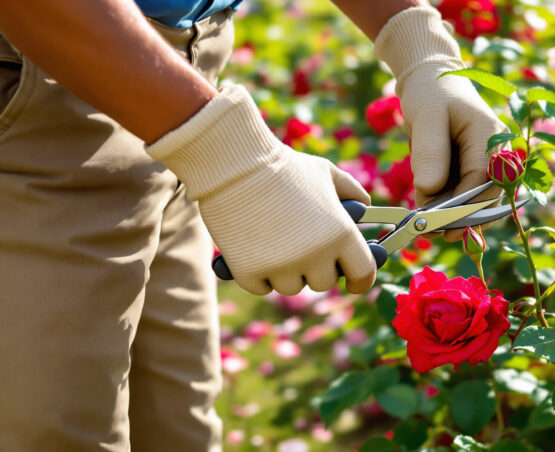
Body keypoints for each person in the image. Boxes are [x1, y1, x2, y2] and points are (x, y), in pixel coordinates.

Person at [0, 0, 507, 449]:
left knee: (182, 432)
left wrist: (417, 44)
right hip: (45, 81)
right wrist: (230, 158)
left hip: (183, 82)